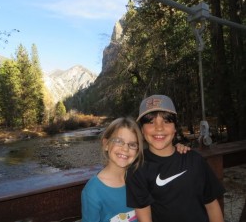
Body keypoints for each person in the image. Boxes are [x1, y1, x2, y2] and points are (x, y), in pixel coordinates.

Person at [126, 94, 225, 222]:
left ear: (175, 129)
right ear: (142, 130)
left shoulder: (194, 160)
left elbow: (212, 206)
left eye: (166, 121)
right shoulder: (137, 169)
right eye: (151, 122)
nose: (159, 128)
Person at [81, 117, 190, 222]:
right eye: (118, 141)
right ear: (106, 144)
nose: (125, 149)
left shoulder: (140, 175)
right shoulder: (92, 191)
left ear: (138, 151)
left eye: (132, 144)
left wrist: (178, 148)